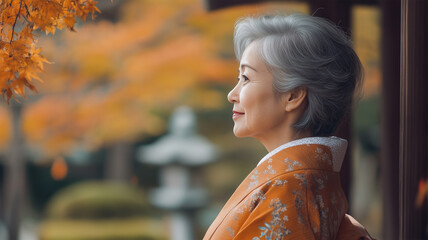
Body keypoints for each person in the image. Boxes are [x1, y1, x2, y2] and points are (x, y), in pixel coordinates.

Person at [203, 14, 374, 240]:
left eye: (245, 78)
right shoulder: (312, 183)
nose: (232, 95)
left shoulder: (288, 191)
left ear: (293, 95)